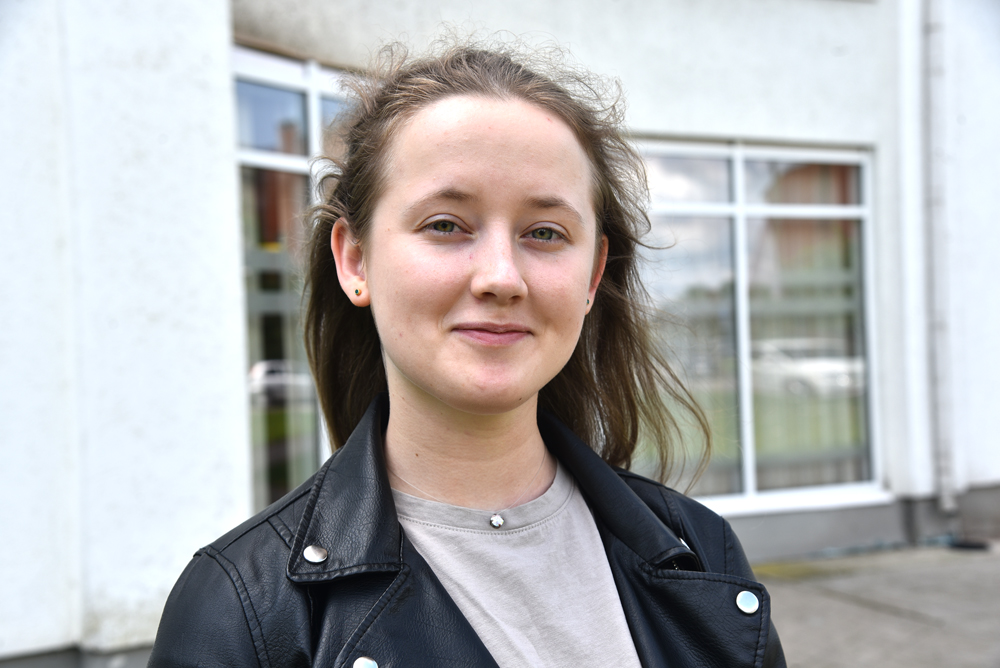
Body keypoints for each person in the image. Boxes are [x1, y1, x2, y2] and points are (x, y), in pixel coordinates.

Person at [148, 41, 786, 668]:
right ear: (355, 260)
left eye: (544, 233)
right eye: (446, 225)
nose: (501, 277)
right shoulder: (244, 612)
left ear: (593, 276)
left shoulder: (703, 554)